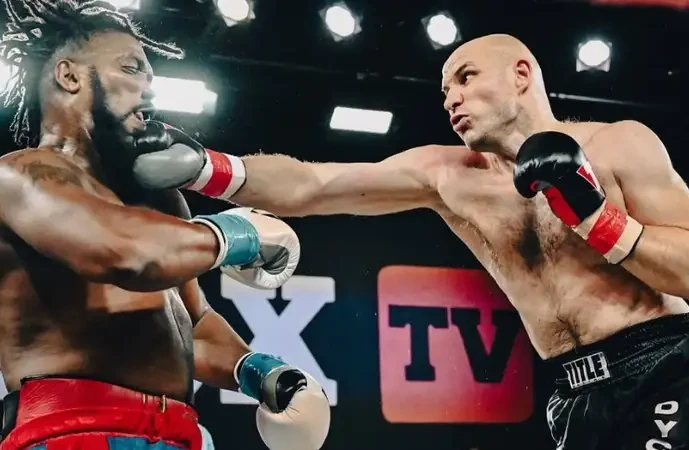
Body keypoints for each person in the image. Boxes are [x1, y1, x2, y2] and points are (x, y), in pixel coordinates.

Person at [135, 33, 689, 449]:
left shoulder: (620, 146)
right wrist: (207, 168)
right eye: (445, 90)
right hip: (571, 394)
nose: (451, 98)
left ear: (521, 74)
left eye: (466, 78)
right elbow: (313, 185)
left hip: (663, 367)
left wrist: (598, 219)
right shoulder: (448, 176)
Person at [0, 1, 329, 450]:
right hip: (73, 430)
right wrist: (237, 234)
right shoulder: (20, 174)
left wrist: (264, 374)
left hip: (178, 432)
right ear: (69, 76)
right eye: (131, 68)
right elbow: (121, 251)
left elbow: (195, 326)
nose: (148, 90)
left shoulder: (158, 199)